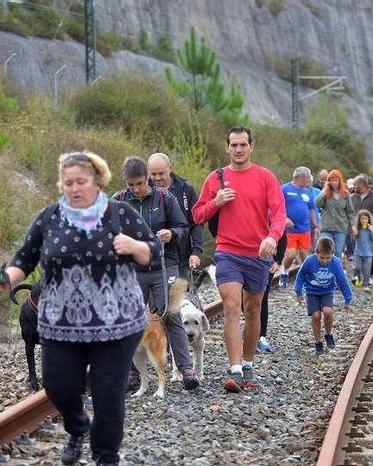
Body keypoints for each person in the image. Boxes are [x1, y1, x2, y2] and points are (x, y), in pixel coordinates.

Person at [0, 151, 161, 466]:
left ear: (98, 180)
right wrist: (6, 279)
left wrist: (133, 246)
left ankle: (106, 458)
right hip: (60, 323)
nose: (74, 188)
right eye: (68, 183)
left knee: (108, 391)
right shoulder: (49, 217)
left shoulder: (120, 214)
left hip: (115, 323)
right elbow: (24, 258)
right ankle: (76, 426)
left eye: (81, 181)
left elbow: (152, 250)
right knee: (57, 384)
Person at [191, 127, 286, 393]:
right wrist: (216, 202)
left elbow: (279, 214)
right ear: (227, 148)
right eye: (234, 145)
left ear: (251, 147)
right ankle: (234, 370)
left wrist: (272, 237)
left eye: (243, 144)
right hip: (227, 252)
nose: (238, 149)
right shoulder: (216, 178)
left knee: (253, 311)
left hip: (258, 254)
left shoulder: (265, 177)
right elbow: (197, 215)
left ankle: (247, 364)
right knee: (232, 308)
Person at [114, 157, 199, 390]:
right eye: (131, 185)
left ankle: (185, 368)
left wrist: (171, 234)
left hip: (164, 265)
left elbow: (183, 227)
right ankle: (130, 371)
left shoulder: (164, 197)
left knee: (170, 314)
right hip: (132, 269)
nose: (136, 189)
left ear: (148, 178)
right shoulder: (118, 201)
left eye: (140, 183)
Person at [146, 152, 203, 280]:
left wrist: (196, 252)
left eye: (161, 173)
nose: (157, 178)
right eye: (153, 174)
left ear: (170, 168)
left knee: (178, 298)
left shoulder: (186, 189)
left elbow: (196, 222)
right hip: (152, 260)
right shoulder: (142, 190)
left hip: (181, 257)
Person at [294, 238, 352, 356]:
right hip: (312, 292)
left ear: (333, 254)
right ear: (316, 252)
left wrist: (348, 299)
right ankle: (318, 342)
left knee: (327, 311)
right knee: (316, 316)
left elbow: (342, 281)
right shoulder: (310, 261)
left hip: (327, 291)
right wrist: (298, 291)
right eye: (322, 258)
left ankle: (328, 334)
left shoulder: (335, 262)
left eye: (328, 258)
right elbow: (301, 275)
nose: (325, 261)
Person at [279, 166, 319, 287]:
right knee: (290, 254)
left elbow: (312, 210)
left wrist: (316, 226)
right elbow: (278, 206)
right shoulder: (285, 189)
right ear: (300, 177)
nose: (308, 180)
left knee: (304, 256)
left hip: (305, 229)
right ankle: (284, 271)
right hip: (290, 229)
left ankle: (304, 279)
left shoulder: (307, 192)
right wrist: (284, 218)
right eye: (307, 177)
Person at [350, 175, 373, 284]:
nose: (354, 187)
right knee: (356, 252)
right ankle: (357, 275)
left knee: (370, 252)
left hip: (370, 230)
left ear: (362, 185)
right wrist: (352, 224)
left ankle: (372, 275)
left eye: (356, 185)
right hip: (357, 230)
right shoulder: (352, 197)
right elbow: (350, 212)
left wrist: (372, 220)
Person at [314, 169, 354, 261]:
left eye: (336, 180)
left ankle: (336, 272)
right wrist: (324, 191)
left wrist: (353, 226)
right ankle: (324, 270)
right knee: (324, 250)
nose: (334, 183)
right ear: (329, 181)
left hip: (340, 228)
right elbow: (317, 204)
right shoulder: (325, 193)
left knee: (337, 252)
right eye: (331, 180)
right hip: (326, 227)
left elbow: (350, 212)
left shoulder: (345, 194)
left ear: (340, 181)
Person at [258, 234, 287, 352]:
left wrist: (278, 260)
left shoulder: (271, 215)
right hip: (242, 258)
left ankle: (261, 336)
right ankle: (251, 327)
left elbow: (282, 236)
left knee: (262, 298)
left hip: (266, 262)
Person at [353, 210, 373, 288]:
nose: (364, 220)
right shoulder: (358, 229)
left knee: (366, 271)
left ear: (368, 219)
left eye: (366, 219)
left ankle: (365, 284)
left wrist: (372, 231)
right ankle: (359, 279)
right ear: (359, 220)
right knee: (357, 267)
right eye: (362, 219)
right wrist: (355, 233)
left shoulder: (371, 229)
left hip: (368, 253)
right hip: (358, 252)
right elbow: (354, 238)